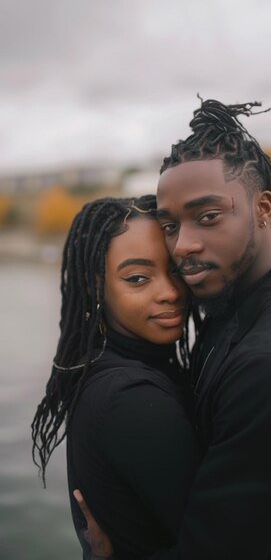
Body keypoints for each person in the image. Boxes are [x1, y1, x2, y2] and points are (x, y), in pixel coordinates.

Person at [76, 100, 271, 560]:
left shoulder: (268, 364)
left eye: (207, 217)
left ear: (263, 208)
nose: (183, 245)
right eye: (169, 224)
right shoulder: (227, 314)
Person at [31, 195, 202, 559]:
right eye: (138, 278)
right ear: (96, 286)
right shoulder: (130, 398)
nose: (170, 293)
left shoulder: (125, 368)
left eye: (175, 269)